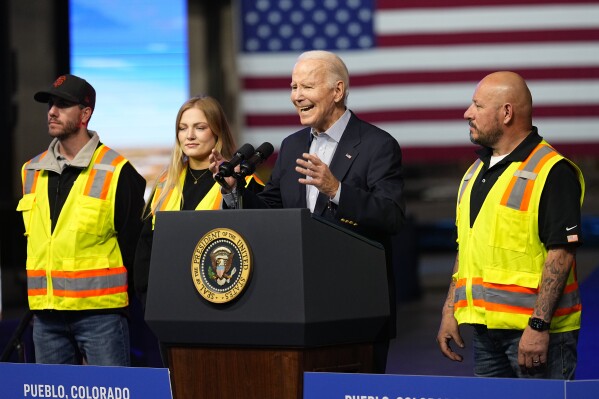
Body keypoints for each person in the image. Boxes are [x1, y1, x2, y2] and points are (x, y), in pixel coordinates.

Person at [209, 50, 406, 373]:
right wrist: (235, 190)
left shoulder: (377, 145)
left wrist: (336, 190)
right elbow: (272, 210)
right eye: (293, 87)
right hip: (296, 307)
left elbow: (392, 215)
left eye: (306, 87)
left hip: (355, 308)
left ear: (337, 91)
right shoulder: (292, 146)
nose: (296, 96)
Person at [436, 71, 585, 379]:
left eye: (477, 105)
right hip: (485, 332)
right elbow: (468, 247)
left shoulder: (552, 171)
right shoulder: (474, 172)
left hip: (535, 334)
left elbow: (561, 254)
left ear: (506, 113)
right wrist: (450, 309)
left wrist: (539, 326)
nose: (468, 113)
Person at [17, 74, 146, 366]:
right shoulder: (30, 171)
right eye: (51, 104)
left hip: (100, 317)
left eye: (63, 104)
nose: (52, 111)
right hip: (46, 317)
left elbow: (132, 245)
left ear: (85, 114)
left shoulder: (117, 171)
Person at [134, 95, 263, 309]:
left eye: (200, 127)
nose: (189, 136)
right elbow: (145, 250)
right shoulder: (165, 184)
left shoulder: (245, 183)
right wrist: (150, 299)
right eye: (183, 128)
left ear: (217, 131)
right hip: (169, 304)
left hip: (223, 304)